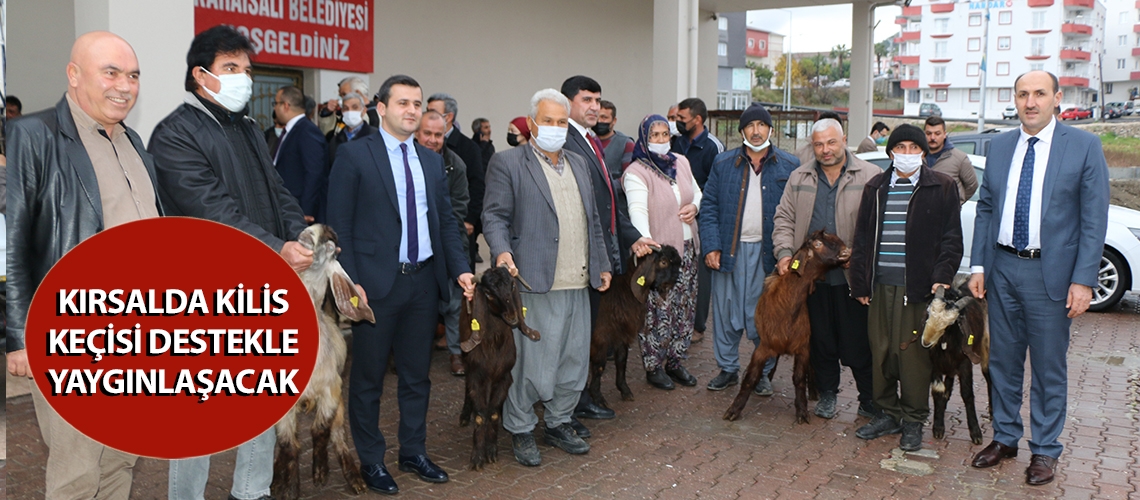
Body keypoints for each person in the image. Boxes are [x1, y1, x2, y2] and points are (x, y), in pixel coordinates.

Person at [147, 25, 313, 500]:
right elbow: (211, 211)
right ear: (201, 76)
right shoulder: (174, 133)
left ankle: (251, 491)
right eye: (231, 68)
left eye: (247, 69)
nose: (244, 78)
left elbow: (277, 192)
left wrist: (299, 235)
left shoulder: (247, 129)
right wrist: (276, 247)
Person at [7, 31, 159, 500]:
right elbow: (14, 241)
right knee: (77, 472)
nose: (124, 86)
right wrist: (19, 337)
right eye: (111, 72)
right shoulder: (33, 134)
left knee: (121, 458)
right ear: (73, 75)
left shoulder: (134, 142)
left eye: (133, 75)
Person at [328, 74, 475, 494]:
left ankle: (413, 451)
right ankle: (372, 460)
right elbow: (340, 225)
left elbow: (445, 221)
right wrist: (353, 283)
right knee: (369, 380)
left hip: (423, 283)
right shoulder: (354, 155)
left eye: (416, 103)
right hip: (374, 287)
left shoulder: (431, 160)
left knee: (416, 377)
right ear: (381, 108)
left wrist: (461, 268)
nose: (411, 110)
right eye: (403, 103)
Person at [967, 70, 1109, 485]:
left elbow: (1094, 218)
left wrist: (1083, 280)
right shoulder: (1000, 146)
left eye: (1039, 94)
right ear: (1015, 99)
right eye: (1023, 94)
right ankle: (1005, 437)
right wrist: (978, 265)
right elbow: (986, 208)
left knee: (1048, 368)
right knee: (1003, 362)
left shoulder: (1083, 146)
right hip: (1002, 270)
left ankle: (1045, 449)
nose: (1030, 102)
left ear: (1057, 98)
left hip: (1051, 275)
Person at [482, 88, 612, 467]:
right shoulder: (508, 163)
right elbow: (494, 215)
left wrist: (602, 264)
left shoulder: (579, 163)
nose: (555, 127)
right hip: (535, 280)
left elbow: (593, 221)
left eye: (561, 121)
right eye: (548, 120)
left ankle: (558, 421)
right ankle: (521, 427)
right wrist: (502, 251)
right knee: (533, 363)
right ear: (532, 123)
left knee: (573, 360)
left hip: (578, 279)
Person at [848, 124, 963, 453]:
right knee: (881, 352)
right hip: (880, 285)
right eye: (901, 148)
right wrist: (860, 282)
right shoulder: (875, 188)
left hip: (918, 288)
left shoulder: (941, 186)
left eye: (915, 148)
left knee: (912, 357)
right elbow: (862, 238)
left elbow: (952, 240)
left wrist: (941, 276)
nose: (908, 154)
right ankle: (887, 412)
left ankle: (913, 419)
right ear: (891, 152)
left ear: (924, 152)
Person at [560, 75, 656, 427]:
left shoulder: (590, 141)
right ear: (568, 103)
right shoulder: (566, 141)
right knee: (575, 337)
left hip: (600, 255)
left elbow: (608, 203)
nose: (595, 107)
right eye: (586, 100)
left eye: (597, 100)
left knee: (585, 334)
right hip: (579, 258)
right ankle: (567, 406)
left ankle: (579, 398)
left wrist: (633, 237)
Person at [772, 118, 879, 421]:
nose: (825, 150)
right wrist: (784, 253)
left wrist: (862, 258)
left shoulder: (870, 175)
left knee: (858, 342)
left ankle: (868, 399)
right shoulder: (799, 177)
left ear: (844, 139)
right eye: (818, 144)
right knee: (821, 341)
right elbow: (784, 218)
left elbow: (879, 225)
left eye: (831, 142)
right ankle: (827, 393)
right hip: (812, 278)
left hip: (852, 277)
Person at [699, 103, 799, 394]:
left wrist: (787, 252)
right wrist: (711, 246)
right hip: (729, 250)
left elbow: (795, 212)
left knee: (764, 315)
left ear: (771, 130)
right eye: (750, 126)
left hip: (768, 254)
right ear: (742, 131)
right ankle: (728, 368)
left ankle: (762, 372)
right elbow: (709, 206)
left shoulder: (789, 165)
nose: (756, 131)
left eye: (762, 125)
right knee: (725, 312)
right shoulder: (723, 163)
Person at [622, 114, 702, 390]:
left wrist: (695, 207)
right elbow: (637, 211)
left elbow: (696, 192)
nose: (660, 140)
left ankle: (676, 361)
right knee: (658, 311)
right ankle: (654, 365)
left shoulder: (681, 162)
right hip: (660, 256)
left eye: (664, 134)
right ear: (644, 138)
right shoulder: (637, 172)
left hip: (688, 251)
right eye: (654, 135)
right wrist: (648, 246)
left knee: (685, 307)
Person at [416, 109, 471, 376]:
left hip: (447, 242)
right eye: (427, 133)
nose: (433, 140)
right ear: (417, 133)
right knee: (418, 304)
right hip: (415, 249)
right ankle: (411, 353)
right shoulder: (405, 161)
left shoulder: (455, 165)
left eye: (438, 135)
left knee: (453, 305)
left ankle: (456, 353)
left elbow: (457, 211)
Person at [672, 97, 720, 345]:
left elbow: (716, 186)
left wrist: (698, 207)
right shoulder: (676, 142)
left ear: (697, 120)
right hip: (675, 218)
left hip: (702, 218)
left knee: (700, 275)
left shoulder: (713, 147)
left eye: (681, 118)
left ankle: (698, 325)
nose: (677, 123)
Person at [427, 93, 486, 265]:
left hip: (460, 224)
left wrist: (470, 219)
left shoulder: (468, 148)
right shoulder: (419, 147)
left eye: (433, 111)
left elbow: (477, 185)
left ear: (449, 117)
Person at [272, 84, 329, 223]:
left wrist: (305, 210)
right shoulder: (292, 130)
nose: (274, 108)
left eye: (276, 103)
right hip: (287, 206)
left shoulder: (307, 131)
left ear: (286, 105)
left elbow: (314, 173)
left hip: (299, 210)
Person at [924, 116, 979, 204]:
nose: (932, 137)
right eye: (929, 133)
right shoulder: (916, 157)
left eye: (937, 133)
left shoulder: (959, 158)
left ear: (944, 134)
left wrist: (956, 202)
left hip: (948, 211)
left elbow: (972, 185)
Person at [327, 91, 377, 167]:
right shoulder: (335, 140)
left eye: (355, 107)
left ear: (364, 110)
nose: (350, 111)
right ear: (342, 112)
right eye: (346, 108)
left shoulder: (376, 137)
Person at [595, 100, 634, 176]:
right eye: (596, 116)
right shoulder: (586, 141)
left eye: (604, 117)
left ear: (614, 120)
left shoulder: (626, 144)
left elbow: (629, 176)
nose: (599, 121)